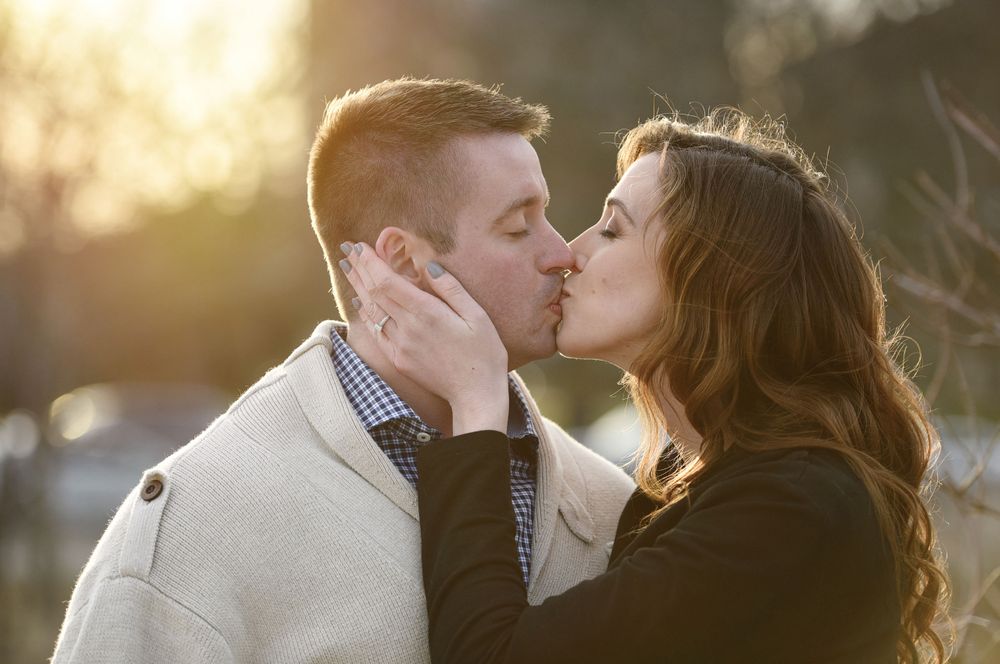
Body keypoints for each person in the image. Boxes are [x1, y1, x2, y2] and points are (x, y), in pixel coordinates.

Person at [50, 78, 634, 663]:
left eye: (545, 216)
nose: (561, 253)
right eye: (517, 226)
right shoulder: (191, 528)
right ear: (404, 260)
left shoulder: (613, 507)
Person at [340, 108, 952, 663]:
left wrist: (476, 403)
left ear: (709, 281)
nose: (569, 253)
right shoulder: (728, 489)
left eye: (612, 230)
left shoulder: (791, 508)